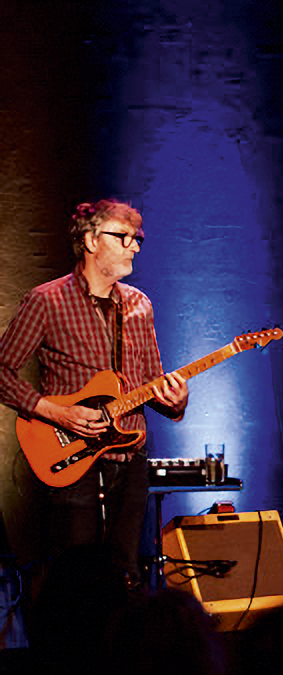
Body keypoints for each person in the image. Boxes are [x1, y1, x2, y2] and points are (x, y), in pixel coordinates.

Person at [0, 199, 188, 587]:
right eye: (123, 237)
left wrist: (175, 400)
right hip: (70, 453)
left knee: (127, 573)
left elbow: (151, 381)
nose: (134, 246)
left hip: (130, 454)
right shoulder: (47, 300)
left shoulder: (139, 305)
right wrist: (54, 411)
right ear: (90, 240)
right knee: (76, 576)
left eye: (137, 239)